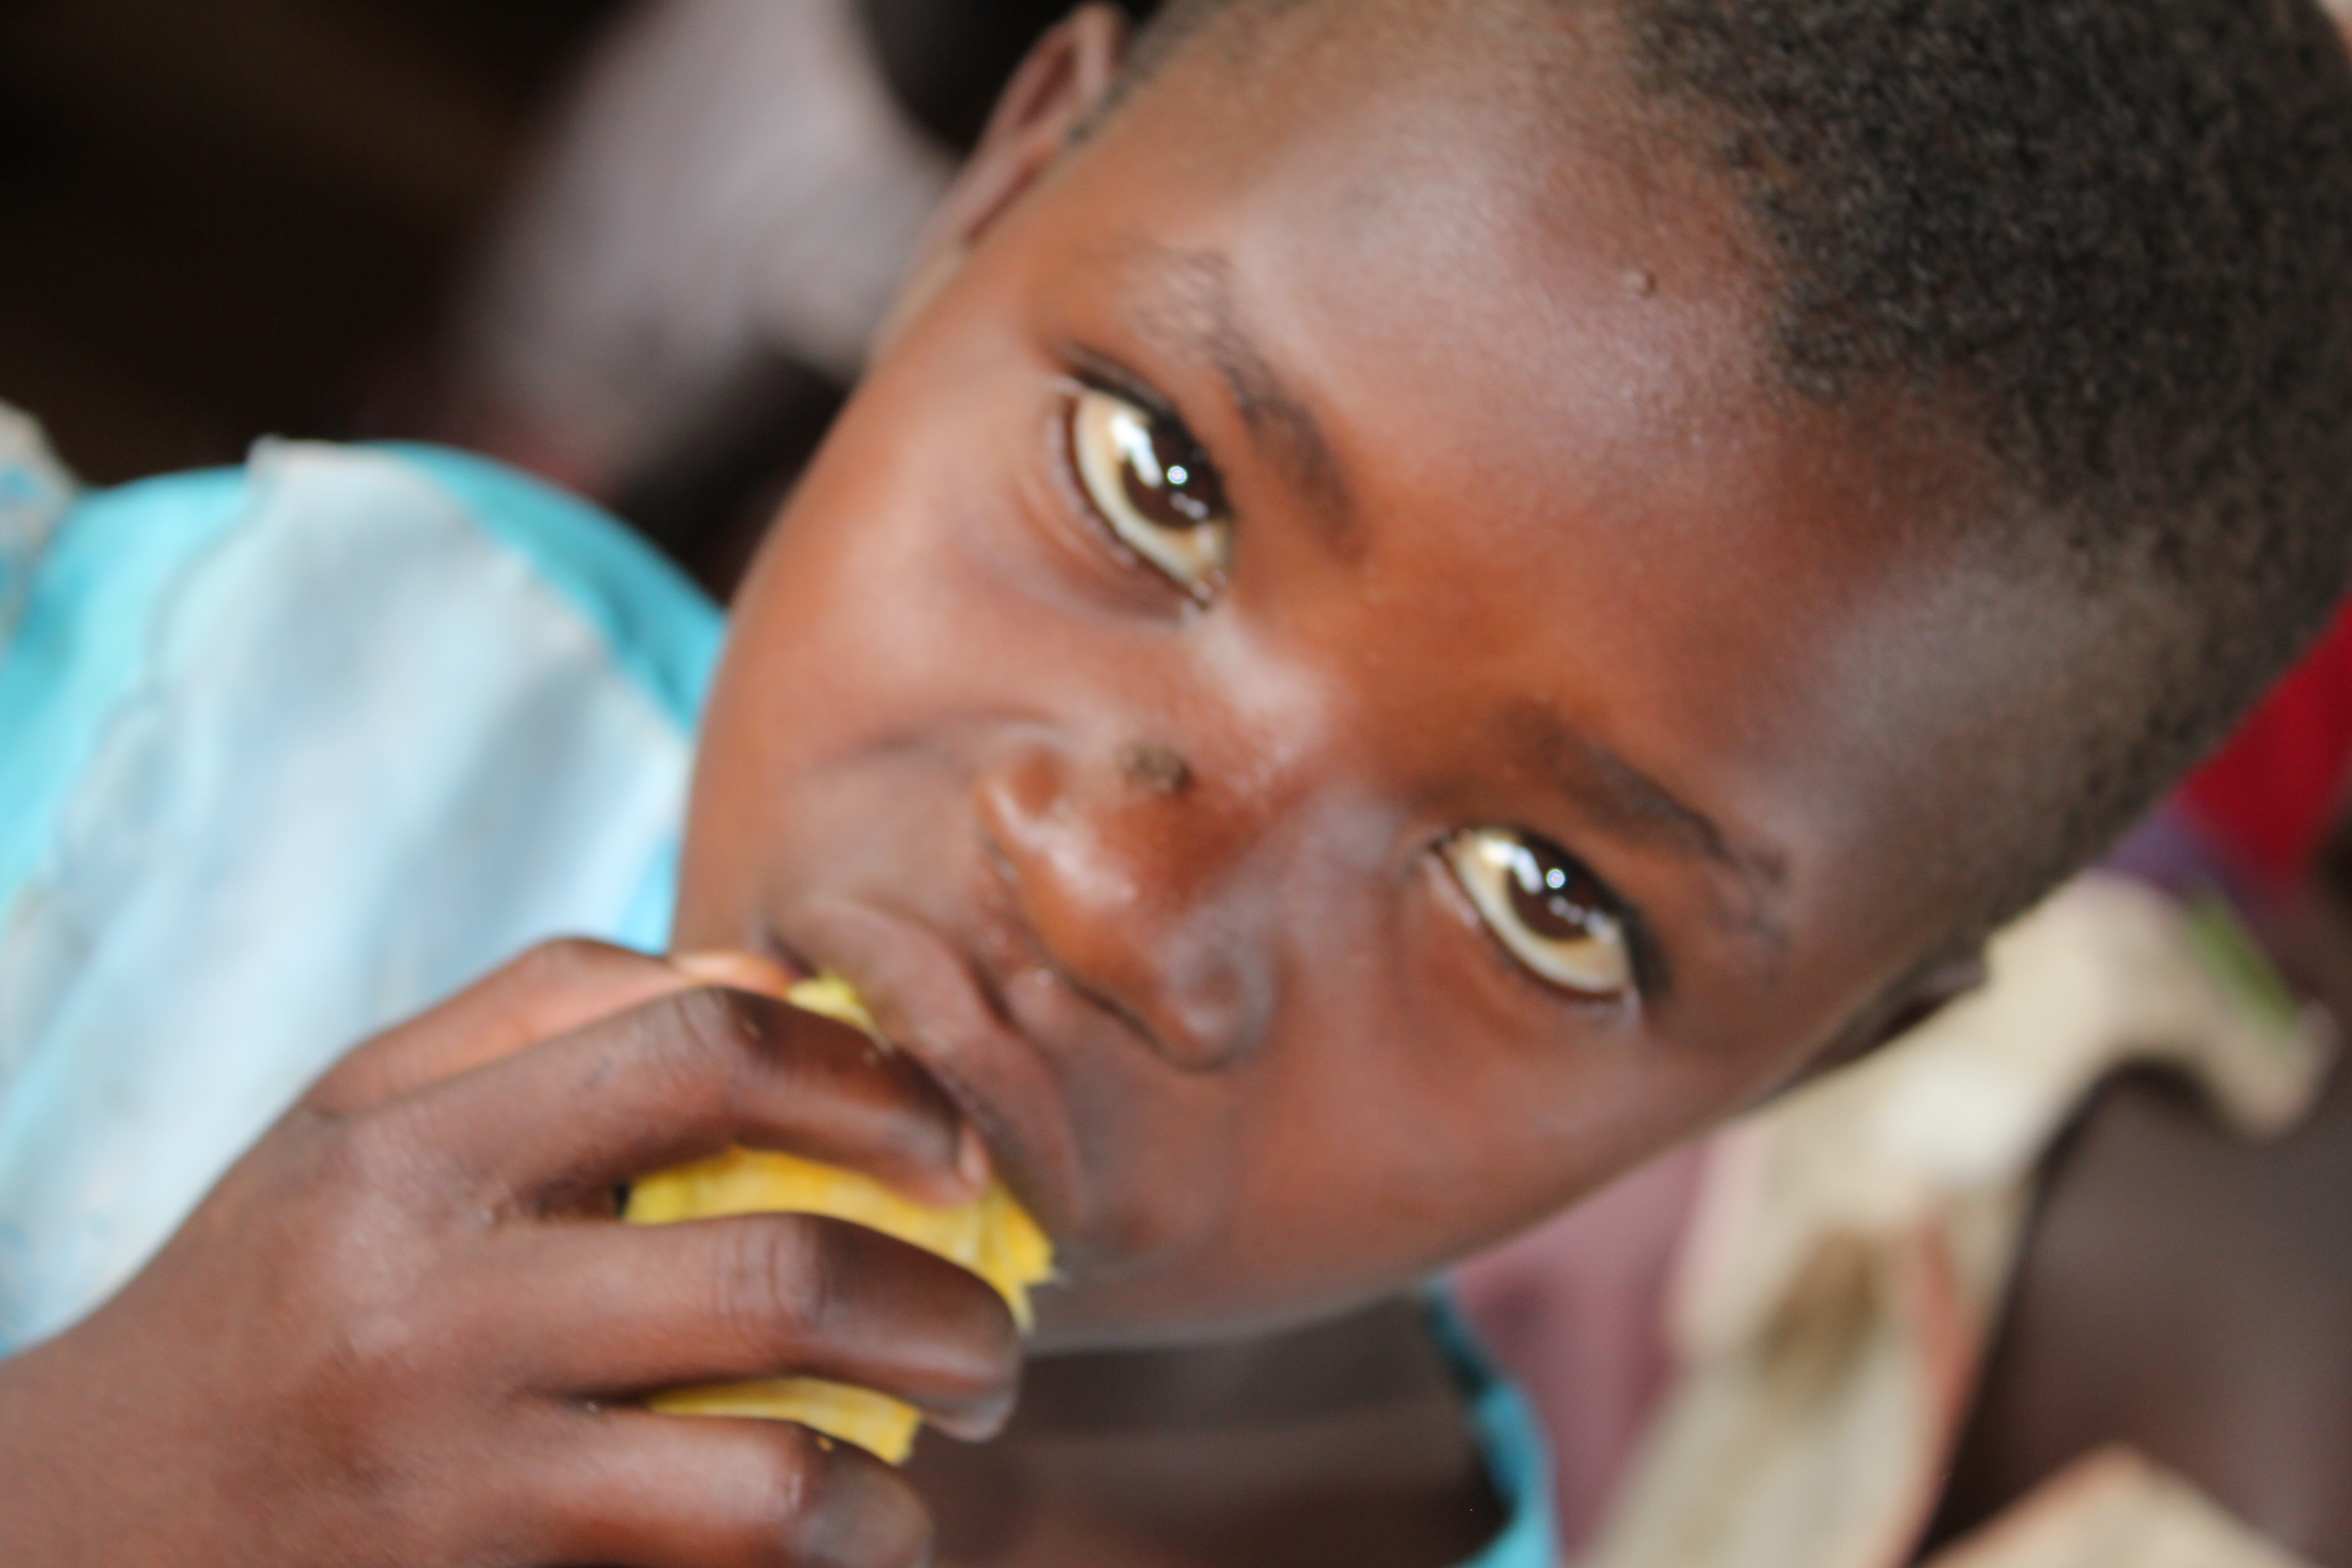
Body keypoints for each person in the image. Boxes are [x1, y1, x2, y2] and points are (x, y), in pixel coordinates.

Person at [3, 1, 2351, 1565]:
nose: (1121, 901)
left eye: (1545, 894)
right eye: (1152, 477)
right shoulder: (208, 702)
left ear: (1821, 1054)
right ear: (992, 195)